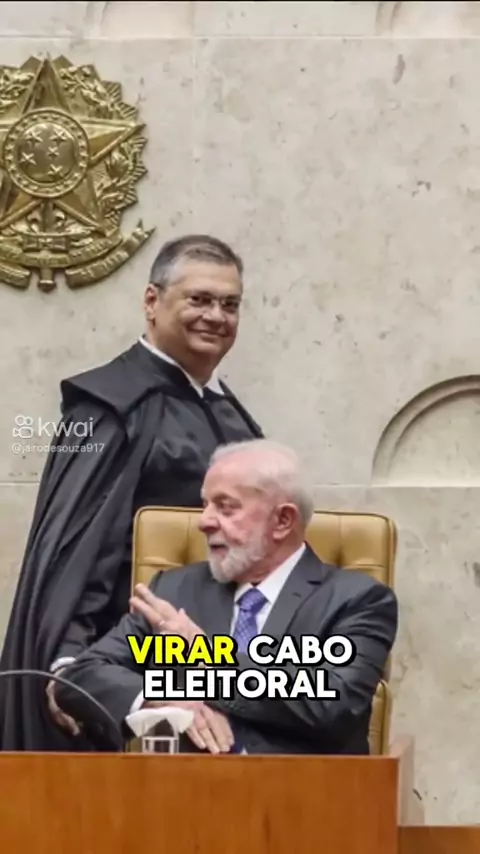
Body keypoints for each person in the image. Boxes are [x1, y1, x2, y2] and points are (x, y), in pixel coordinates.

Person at [0, 234, 263, 752]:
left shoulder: (226, 410)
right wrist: (68, 661)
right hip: (129, 667)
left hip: (213, 664)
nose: (216, 316)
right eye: (199, 299)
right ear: (151, 302)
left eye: (229, 304)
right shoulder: (109, 407)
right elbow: (80, 549)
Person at [55, 439, 398, 755]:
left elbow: (334, 702)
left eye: (225, 507)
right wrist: (161, 700)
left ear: (282, 520)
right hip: (182, 792)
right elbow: (81, 675)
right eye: (205, 505)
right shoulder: (173, 591)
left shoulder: (358, 600)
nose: (203, 522)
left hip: (302, 793)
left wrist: (205, 655)